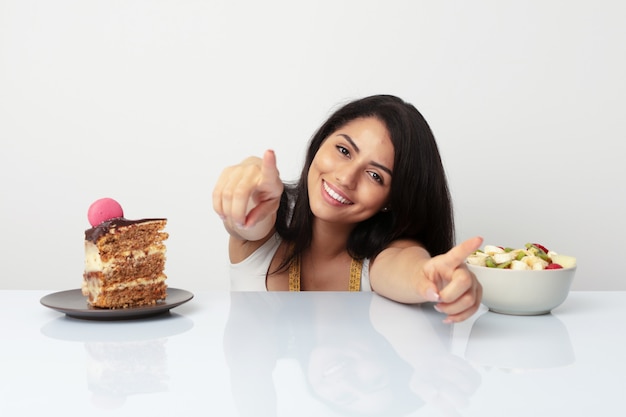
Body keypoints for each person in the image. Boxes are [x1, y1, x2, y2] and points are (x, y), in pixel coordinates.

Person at [213, 94, 482, 323]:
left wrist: (431, 280)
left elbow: (409, 268)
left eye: (375, 176)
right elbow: (247, 221)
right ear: (322, 141)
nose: (346, 177)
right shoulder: (263, 227)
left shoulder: (384, 256)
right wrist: (247, 182)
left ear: (391, 200)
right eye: (343, 150)